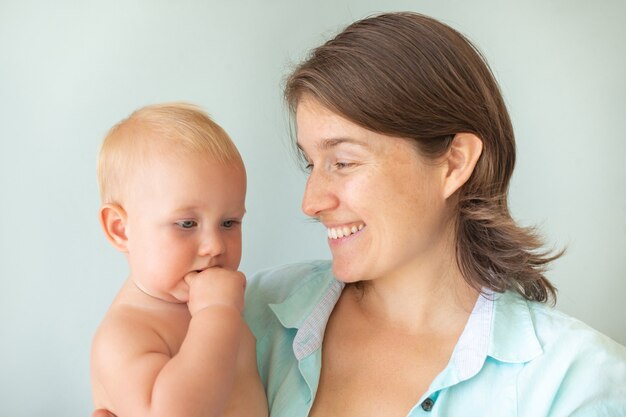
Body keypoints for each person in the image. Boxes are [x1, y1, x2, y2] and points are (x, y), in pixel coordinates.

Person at [94, 12, 626, 417]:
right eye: (311, 163)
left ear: (454, 162)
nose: (310, 201)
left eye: (343, 161)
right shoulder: (248, 312)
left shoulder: (576, 382)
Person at [91, 103, 267, 417]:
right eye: (186, 224)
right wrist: (217, 313)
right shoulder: (125, 334)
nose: (214, 246)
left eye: (229, 223)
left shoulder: (234, 305)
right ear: (121, 230)